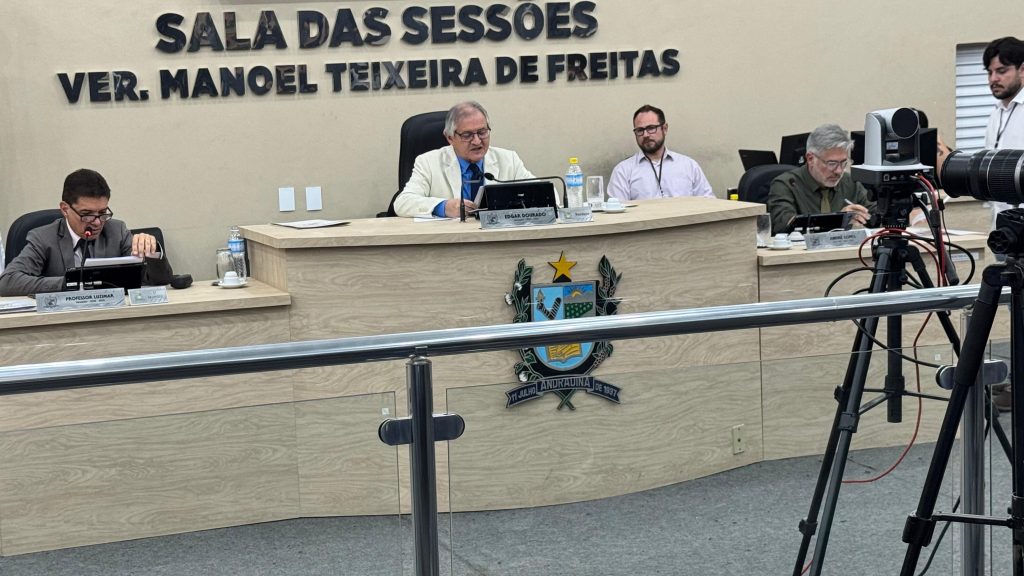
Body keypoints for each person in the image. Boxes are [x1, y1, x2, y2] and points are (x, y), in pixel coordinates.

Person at [0, 168, 172, 296]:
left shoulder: (117, 231)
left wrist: (153, 252)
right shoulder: (43, 238)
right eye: (87, 214)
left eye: (102, 213)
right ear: (65, 209)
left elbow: (158, 280)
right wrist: (72, 282)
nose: (97, 222)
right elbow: (7, 282)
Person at [393, 101, 534, 218]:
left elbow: (543, 195)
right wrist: (443, 207)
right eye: (467, 135)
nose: (477, 141)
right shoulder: (428, 162)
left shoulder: (509, 159)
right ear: (450, 138)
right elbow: (402, 203)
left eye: (482, 132)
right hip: (450, 240)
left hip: (498, 238)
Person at [982, 37, 1024, 411]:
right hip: (1005, 229)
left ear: (1022, 70)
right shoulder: (997, 112)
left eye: (1002, 71)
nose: (994, 78)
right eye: (990, 72)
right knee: (1016, 309)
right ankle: (1017, 384)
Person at [767, 124, 875, 234]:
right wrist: (839, 220)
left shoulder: (850, 182)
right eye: (832, 163)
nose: (839, 171)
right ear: (810, 159)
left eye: (843, 163)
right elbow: (784, 226)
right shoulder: (785, 185)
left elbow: (875, 213)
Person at [607, 104, 714, 201]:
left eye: (651, 128)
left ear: (665, 129)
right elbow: (618, 212)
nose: (645, 135)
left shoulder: (689, 166)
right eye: (640, 130)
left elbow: (709, 204)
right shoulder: (623, 171)